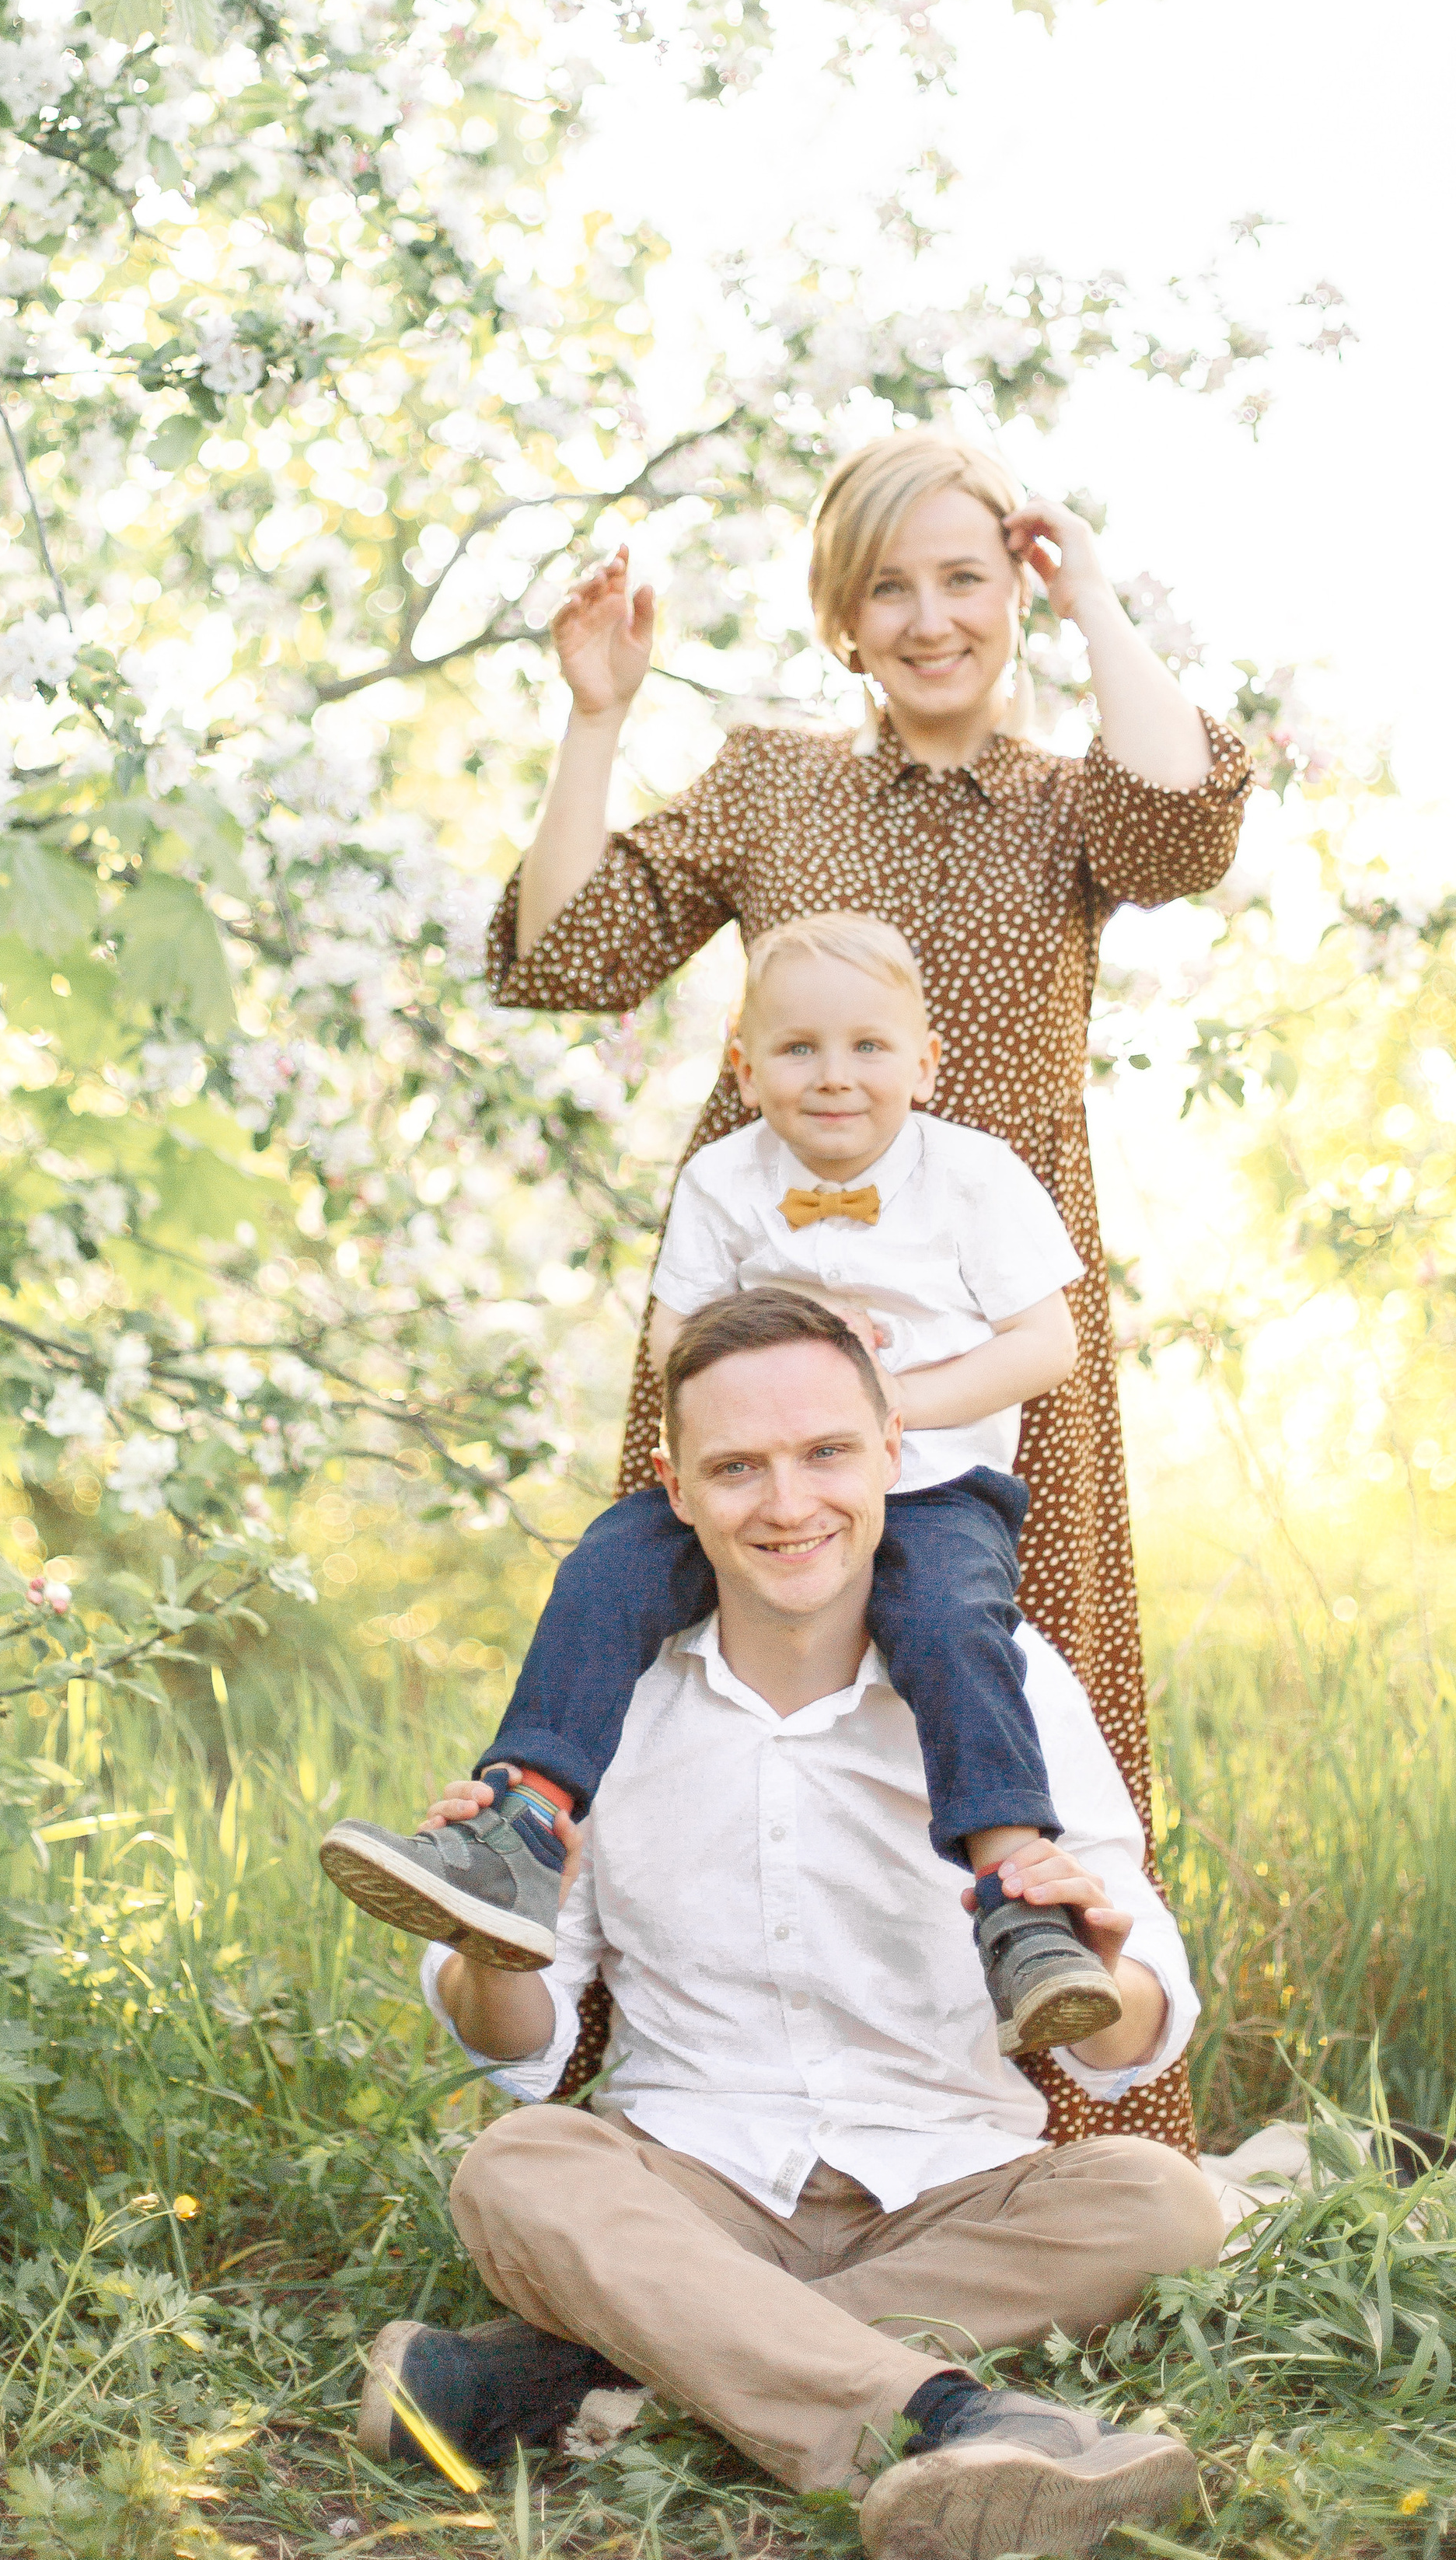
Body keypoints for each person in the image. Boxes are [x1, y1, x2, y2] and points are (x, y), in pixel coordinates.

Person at [490, 431, 1250, 2154]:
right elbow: (569, 953)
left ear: (1013, 595)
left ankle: (1041, 2112)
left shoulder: (1068, 799)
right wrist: (595, 718)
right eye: (888, 588)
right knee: (679, 1631)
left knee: (989, 1662)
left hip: (977, 1337)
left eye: (966, 579)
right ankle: (687, 2120)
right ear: (840, 617)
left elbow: (1186, 826)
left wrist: (1092, 594)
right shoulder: (774, 784)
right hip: (757, 1323)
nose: (929, 619)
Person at [356, 1292, 1228, 2560]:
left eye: (826, 1453)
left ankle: (594, 2372)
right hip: (689, 2179)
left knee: (1163, 2205)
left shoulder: (1009, 1677)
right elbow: (517, 2052)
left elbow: (1130, 2036)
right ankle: (942, 2424)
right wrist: (501, 1946)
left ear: (890, 1456)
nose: (787, 1503)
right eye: (737, 1468)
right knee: (518, 2169)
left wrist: (1103, 1971)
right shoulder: (607, 1690)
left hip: (952, 2187)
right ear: (676, 1487)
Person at [321, 909, 1125, 2062]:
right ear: (745, 1070)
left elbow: (1047, 1346)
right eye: (798, 1049)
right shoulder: (722, 1178)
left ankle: (1019, 1901)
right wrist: (778, 1349)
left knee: (952, 1627)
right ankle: (524, 1824)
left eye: (867, 1047)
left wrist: (878, 1404)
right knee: (608, 1566)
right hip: (755, 1475)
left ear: (925, 1063)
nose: (833, 1075)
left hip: (936, 1485)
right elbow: (671, 1339)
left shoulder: (973, 1178)